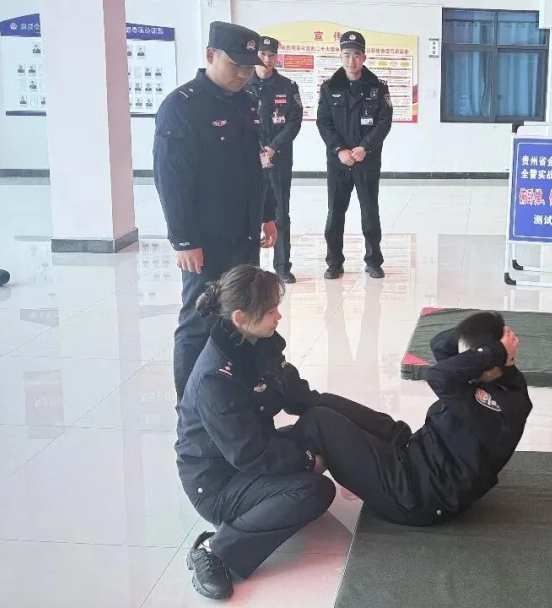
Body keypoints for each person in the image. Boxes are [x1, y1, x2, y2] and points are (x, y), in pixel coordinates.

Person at [177, 264, 384, 600]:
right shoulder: (215, 378)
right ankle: (215, 549)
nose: (279, 316)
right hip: (219, 484)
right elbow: (249, 455)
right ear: (241, 317)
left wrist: (386, 428)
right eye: (271, 310)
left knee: (321, 419)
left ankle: (388, 474)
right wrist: (307, 459)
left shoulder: (259, 345)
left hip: (255, 450)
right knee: (313, 491)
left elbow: (308, 401)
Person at [293, 311, 531, 526]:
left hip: (417, 494)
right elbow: (439, 344)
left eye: (471, 357)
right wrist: (481, 335)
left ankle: (284, 481)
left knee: (320, 422)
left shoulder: (503, 408)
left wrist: (493, 351)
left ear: (487, 362)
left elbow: (438, 376)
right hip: (415, 449)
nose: (463, 362)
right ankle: (283, 442)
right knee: (324, 403)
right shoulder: (492, 374)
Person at [154, 21, 278, 401]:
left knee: (241, 314)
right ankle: (190, 408)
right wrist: (184, 240)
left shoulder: (247, 102)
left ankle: (231, 396)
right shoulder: (181, 106)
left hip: (244, 233)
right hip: (205, 239)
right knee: (199, 320)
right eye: (236, 65)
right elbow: (171, 180)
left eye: (249, 67)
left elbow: (258, 165)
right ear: (210, 55)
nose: (243, 74)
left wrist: (267, 213)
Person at [317, 31, 394, 281]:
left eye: (357, 55)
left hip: (366, 161)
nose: (352, 61)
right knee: (335, 214)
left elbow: (383, 122)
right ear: (340, 56)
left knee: (370, 213)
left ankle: (373, 261)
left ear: (364, 57)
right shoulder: (329, 88)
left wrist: (364, 147)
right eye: (347, 55)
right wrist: (339, 150)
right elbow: (323, 123)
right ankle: (334, 263)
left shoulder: (378, 88)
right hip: (338, 162)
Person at [246, 36, 303, 284]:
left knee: (280, 212)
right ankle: (249, 267)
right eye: (262, 54)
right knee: (249, 212)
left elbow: (294, 123)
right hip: (248, 160)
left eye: (271, 55)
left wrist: (272, 148)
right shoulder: (242, 84)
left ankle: (282, 266)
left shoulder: (288, 87)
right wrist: (258, 150)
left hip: (279, 159)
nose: (267, 59)